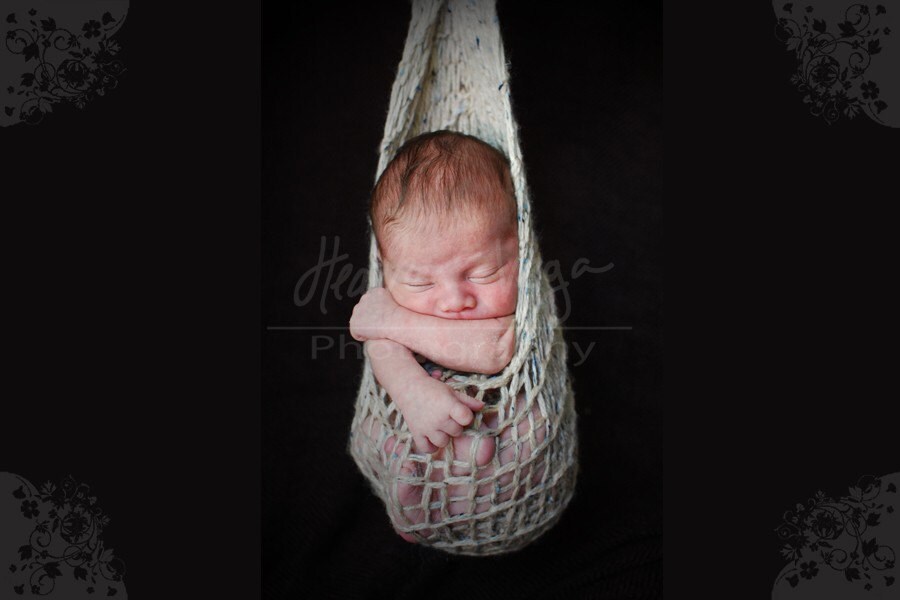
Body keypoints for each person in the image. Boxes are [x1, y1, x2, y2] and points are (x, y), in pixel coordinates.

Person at [350, 130, 546, 543]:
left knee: (535, 428)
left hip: (498, 418)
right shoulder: (392, 305)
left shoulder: (394, 317)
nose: (454, 300)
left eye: (483, 273)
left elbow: (496, 348)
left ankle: (458, 500)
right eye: (420, 283)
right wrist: (414, 393)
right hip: (417, 424)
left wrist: (393, 322)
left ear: (520, 250)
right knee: (374, 430)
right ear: (385, 269)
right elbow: (382, 352)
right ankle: (413, 489)